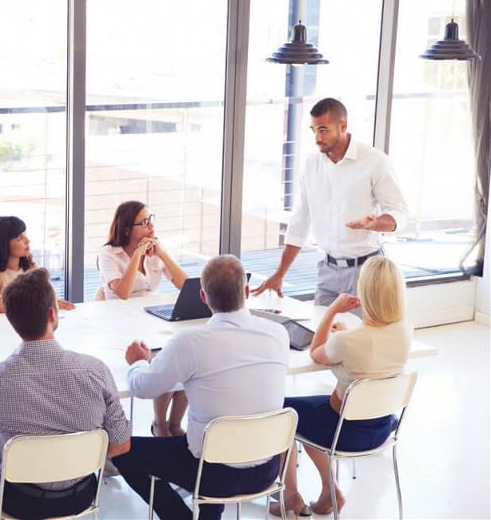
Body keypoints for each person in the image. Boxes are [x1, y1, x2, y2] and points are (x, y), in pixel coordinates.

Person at [112, 255, 289, 520]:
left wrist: (138, 362)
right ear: (247, 291)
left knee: (122, 451)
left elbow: (142, 388)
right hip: (267, 469)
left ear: (203, 297)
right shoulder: (278, 334)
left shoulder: (191, 342)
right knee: (215, 436)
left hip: (213, 474)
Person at [0, 268, 131, 519]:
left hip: (20, 501)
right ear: (53, 314)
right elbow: (121, 444)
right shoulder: (95, 370)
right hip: (80, 496)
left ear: (10, 319)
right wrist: (75, 457)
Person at [270, 256, 412, 517]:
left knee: (282, 411)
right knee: (310, 412)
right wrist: (345, 336)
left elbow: (316, 352)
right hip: (382, 429)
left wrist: (332, 310)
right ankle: (330, 491)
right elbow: (367, 351)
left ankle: (291, 497)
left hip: (343, 432)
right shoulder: (405, 331)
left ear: (365, 291)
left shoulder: (347, 342)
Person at [253, 98, 408, 314]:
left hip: (365, 271)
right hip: (327, 270)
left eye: (323, 130)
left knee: (357, 342)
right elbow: (299, 222)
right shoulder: (311, 165)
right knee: (321, 338)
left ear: (343, 126)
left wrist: (376, 223)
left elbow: (399, 212)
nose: (317, 137)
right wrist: (280, 273)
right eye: (314, 130)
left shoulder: (375, 161)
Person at [98, 200, 189, 437]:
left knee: (187, 356)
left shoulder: (155, 253)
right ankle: (160, 423)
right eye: (144, 222)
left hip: (154, 320)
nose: (151, 227)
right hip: (122, 324)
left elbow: (185, 285)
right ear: (127, 228)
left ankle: (175, 423)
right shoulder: (108, 254)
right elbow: (123, 293)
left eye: (151, 220)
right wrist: (137, 255)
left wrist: (164, 255)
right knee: (167, 360)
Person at [0, 215, 74, 313]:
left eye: (25, 235)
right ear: (3, 244)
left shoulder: (30, 268)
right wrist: (41, 303)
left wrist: (51, 302)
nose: (27, 241)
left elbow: (47, 296)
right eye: (19, 238)